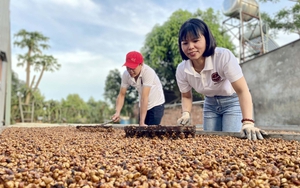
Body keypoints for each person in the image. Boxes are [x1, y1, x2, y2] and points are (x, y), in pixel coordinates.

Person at [175, 18, 267, 140]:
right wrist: (186, 113)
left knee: (231, 140)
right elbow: (186, 96)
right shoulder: (182, 69)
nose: (190, 47)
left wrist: (248, 122)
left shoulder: (223, 56)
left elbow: (242, 91)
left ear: (207, 40)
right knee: (211, 141)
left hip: (232, 102)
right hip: (210, 104)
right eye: (185, 43)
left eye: (195, 40)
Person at [111, 51, 165, 126]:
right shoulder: (126, 75)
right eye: (128, 68)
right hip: (143, 104)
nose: (130, 71)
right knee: (141, 133)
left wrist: (142, 122)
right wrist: (117, 112)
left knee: (151, 131)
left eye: (133, 68)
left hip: (156, 104)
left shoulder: (148, 72)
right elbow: (121, 95)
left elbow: (144, 97)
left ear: (141, 64)